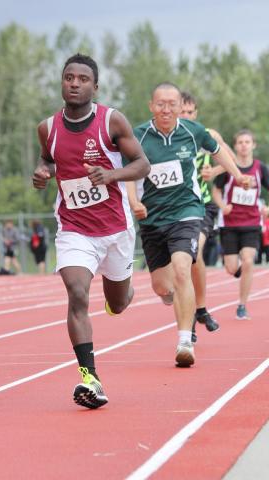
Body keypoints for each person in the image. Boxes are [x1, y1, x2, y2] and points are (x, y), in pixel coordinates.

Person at [32, 53, 150, 409]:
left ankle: (124, 293)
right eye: (69, 77)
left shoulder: (112, 121)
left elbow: (143, 164)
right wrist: (42, 172)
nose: (75, 83)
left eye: (83, 79)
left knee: (118, 301)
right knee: (77, 293)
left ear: (94, 86)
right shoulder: (47, 128)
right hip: (74, 227)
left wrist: (111, 175)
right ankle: (90, 378)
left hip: (115, 227)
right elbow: (48, 158)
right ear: (62, 82)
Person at [127, 82, 250, 368]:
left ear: (180, 106)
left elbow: (219, 150)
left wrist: (237, 174)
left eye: (173, 104)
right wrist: (134, 202)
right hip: (153, 218)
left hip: (187, 211)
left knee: (184, 267)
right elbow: (129, 174)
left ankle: (185, 340)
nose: (167, 109)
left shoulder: (192, 131)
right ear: (151, 106)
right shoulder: (138, 136)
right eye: (161, 104)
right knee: (161, 286)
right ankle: (173, 296)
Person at [180, 92, 237, 342]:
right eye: (182, 112)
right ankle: (196, 311)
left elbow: (230, 159)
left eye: (190, 112)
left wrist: (213, 171)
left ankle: (196, 313)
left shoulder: (207, 134)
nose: (186, 116)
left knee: (194, 254)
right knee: (178, 269)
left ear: (196, 114)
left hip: (202, 206)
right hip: (176, 208)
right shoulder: (166, 138)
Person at [213, 129, 269, 319]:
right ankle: (241, 272)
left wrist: (267, 208)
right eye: (240, 142)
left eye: (247, 142)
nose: (244, 145)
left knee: (247, 261)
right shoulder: (229, 167)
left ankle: (242, 305)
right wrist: (222, 205)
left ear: (253, 145)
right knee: (231, 267)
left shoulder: (260, 168)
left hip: (252, 223)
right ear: (235, 146)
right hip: (229, 223)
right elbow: (216, 191)